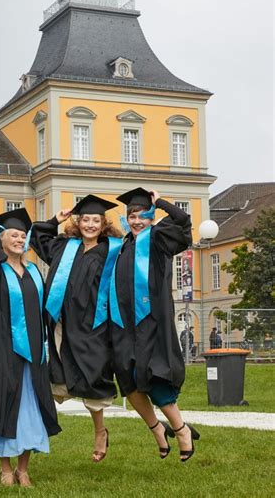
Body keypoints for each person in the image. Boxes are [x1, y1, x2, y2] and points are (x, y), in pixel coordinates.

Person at [0, 208, 60, 488]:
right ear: (0, 239)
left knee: (31, 407)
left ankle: (23, 469)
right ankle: (5, 467)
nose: (20, 240)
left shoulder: (34, 271)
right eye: (13, 235)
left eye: (23, 236)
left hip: (34, 350)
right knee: (7, 403)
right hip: (5, 350)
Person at [109, 187, 200, 462]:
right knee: (128, 382)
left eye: (142, 215)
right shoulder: (123, 245)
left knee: (154, 377)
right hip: (123, 326)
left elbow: (183, 221)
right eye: (132, 215)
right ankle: (157, 429)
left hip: (151, 322)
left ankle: (181, 429)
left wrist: (159, 202)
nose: (136, 220)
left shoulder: (159, 238)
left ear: (150, 217)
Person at [30, 195, 121, 463]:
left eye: (96, 220)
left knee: (93, 380)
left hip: (94, 327)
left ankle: (100, 432)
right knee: (54, 380)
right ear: (77, 222)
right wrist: (55, 219)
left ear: (103, 223)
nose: (90, 225)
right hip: (62, 324)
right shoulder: (64, 247)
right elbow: (37, 236)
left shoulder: (112, 251)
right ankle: (37, 432)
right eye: (85, 219)